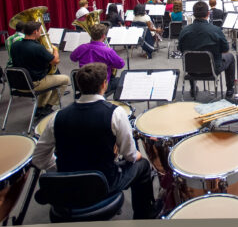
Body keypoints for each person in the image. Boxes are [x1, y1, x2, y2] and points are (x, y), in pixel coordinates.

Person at [31, 63, 159, 219]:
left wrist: (61, 173)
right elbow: (130, 156)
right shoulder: (115, 113)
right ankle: (145, 215)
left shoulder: (57, 117)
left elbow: (38, 158)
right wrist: (138, 156)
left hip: (67, 186)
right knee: (143, 166)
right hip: (104, 183)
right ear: (104, 84)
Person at [10, 21, 70, 116]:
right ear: (35, 32)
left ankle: (40, 108)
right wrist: (55, 50)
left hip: (18, 84)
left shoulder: (14, 45)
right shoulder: (37, 48)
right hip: (34, 83)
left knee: (48, 78)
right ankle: (48, 107)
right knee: (65, 79)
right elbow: (55, 61)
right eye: (40, 31)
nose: (41, 33)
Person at [178, 1, 236, 98]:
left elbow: (181, 49)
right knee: (230, 57)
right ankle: (230, 89)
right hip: (213, 69)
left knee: (191, 57)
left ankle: (193, 88)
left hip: (190, 69)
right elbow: (225, 49)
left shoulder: (184, 31)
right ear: (208, 14)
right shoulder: (216, 30)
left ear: (193, 14)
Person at [70, 24, 125, 93]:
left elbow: (73, 58)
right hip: (101, 85)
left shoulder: (82, 47)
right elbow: (121, 64)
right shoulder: (108, 51)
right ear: (103, 36)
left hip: (84, 84)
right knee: (123, 80)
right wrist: (110, 64)